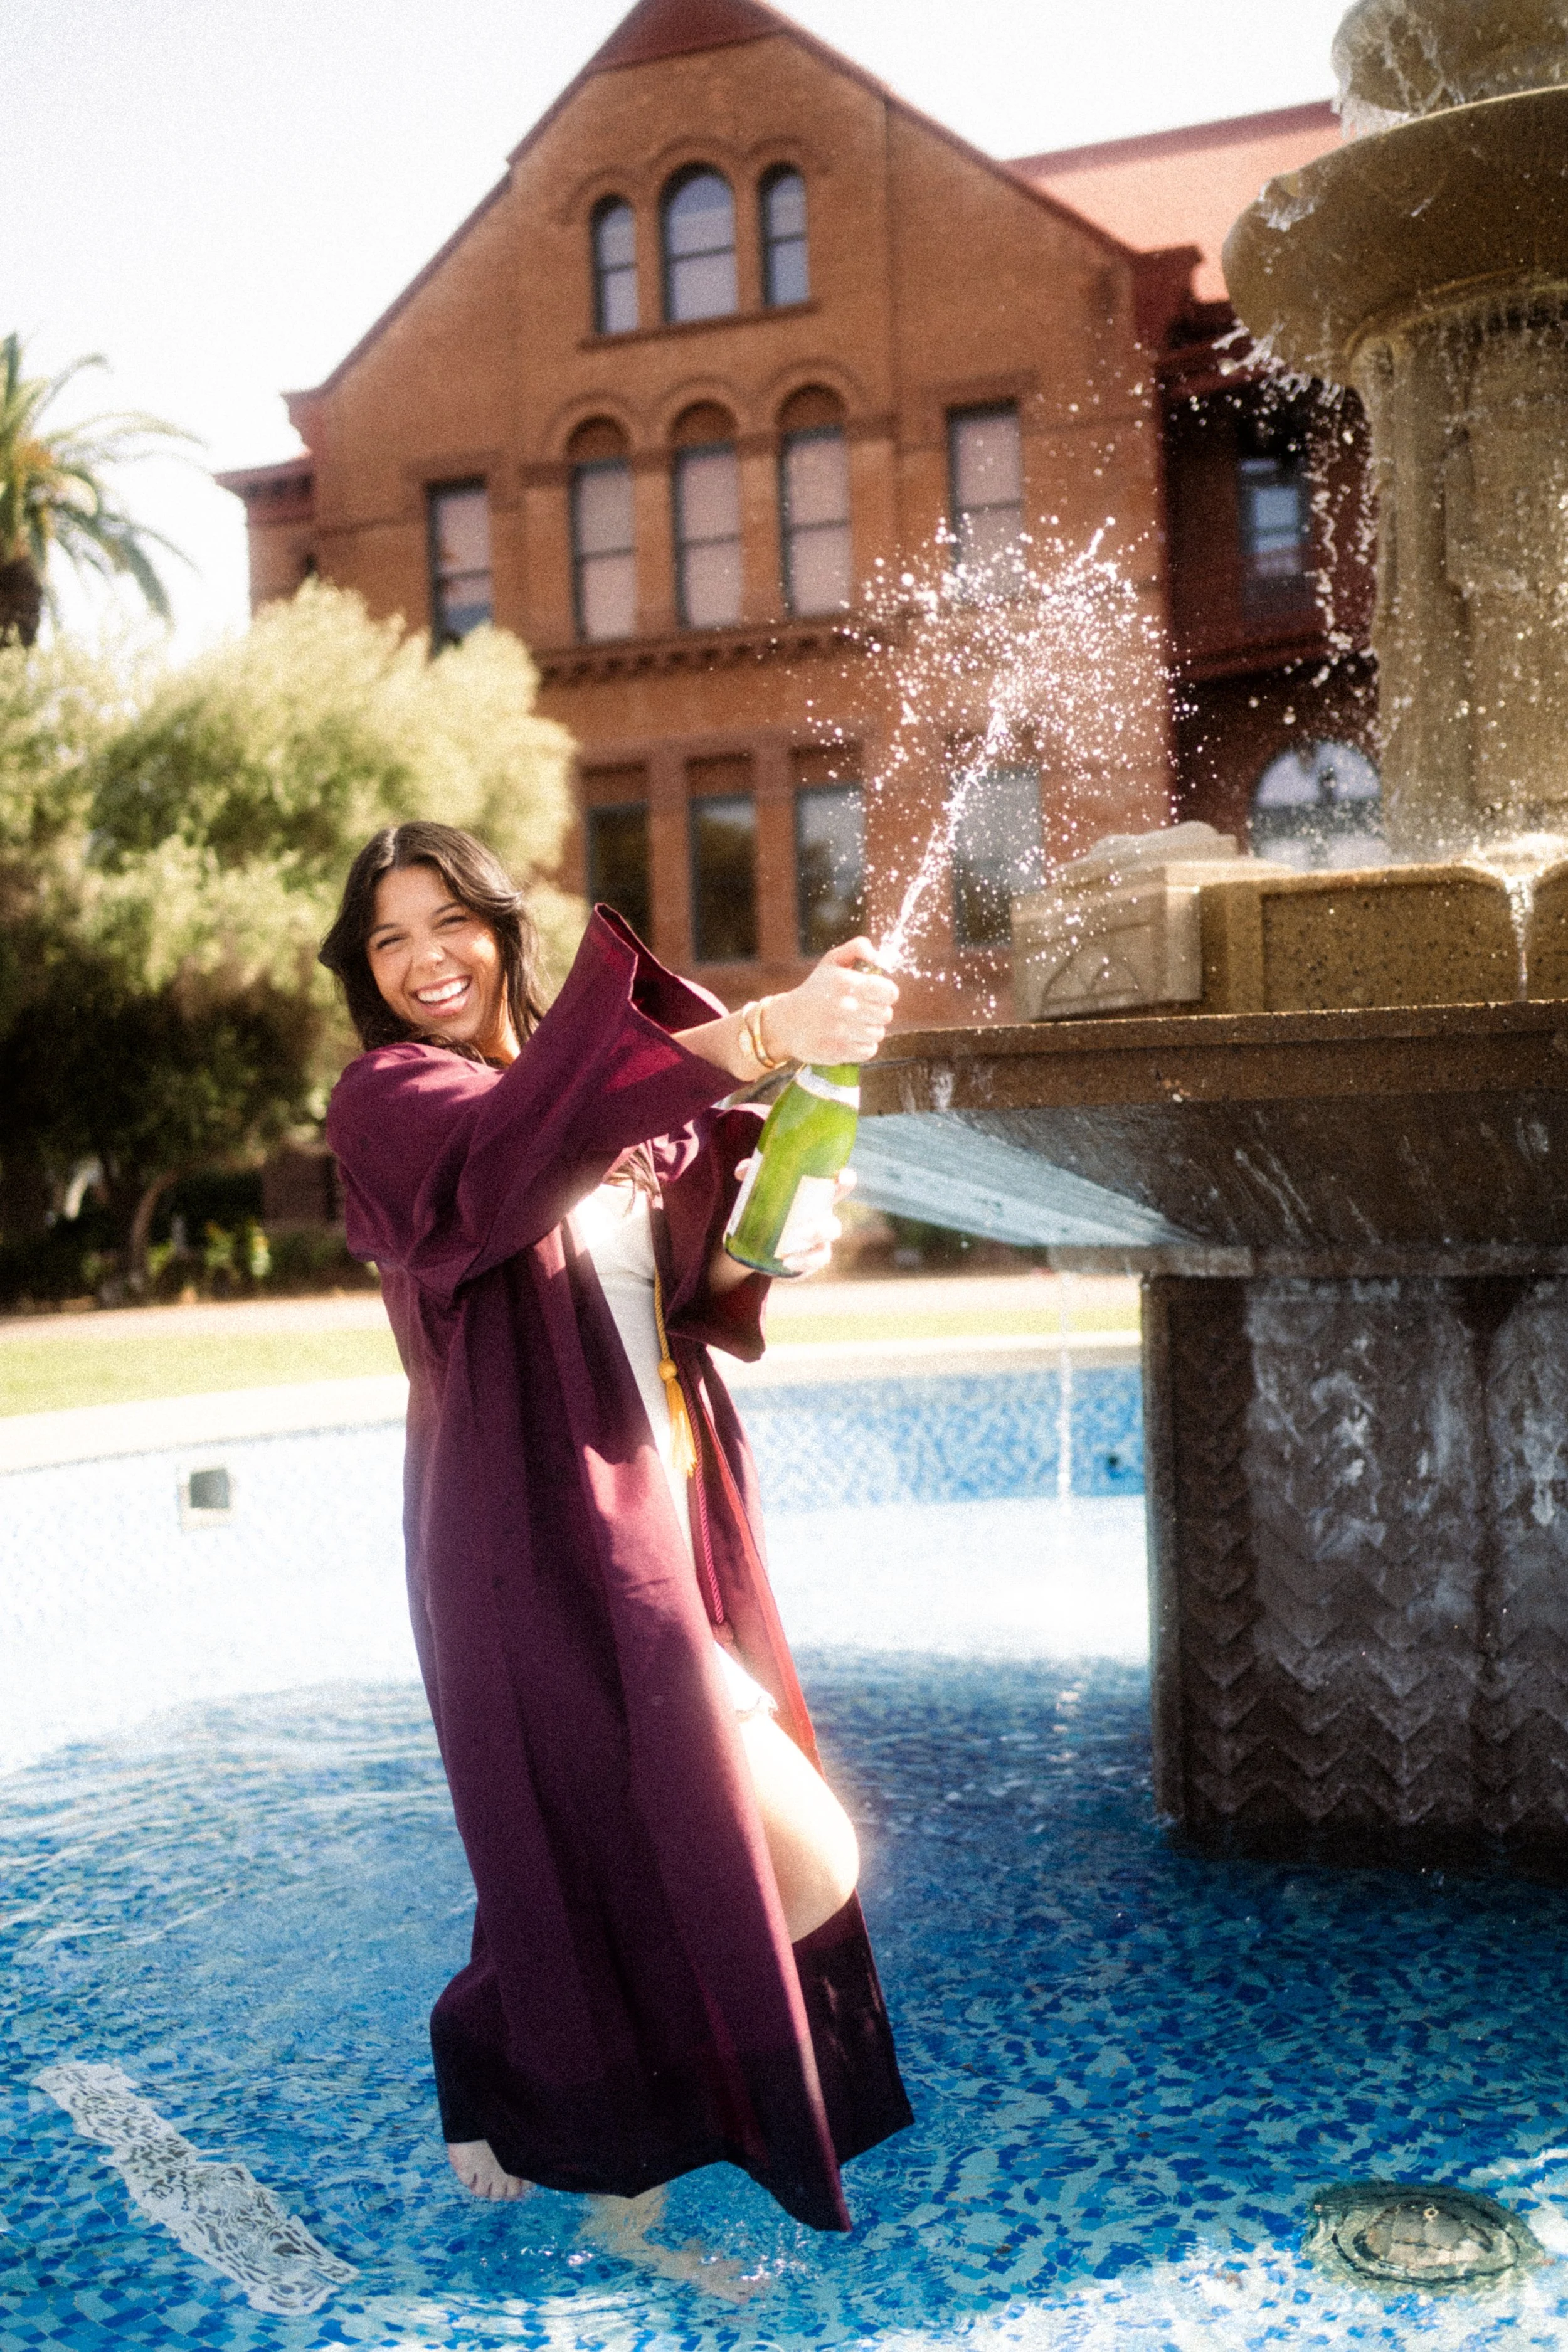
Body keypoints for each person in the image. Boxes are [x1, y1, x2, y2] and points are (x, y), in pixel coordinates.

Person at [319, 821, 912, 2237]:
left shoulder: (609, 1102)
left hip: (668, 1508)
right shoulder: (392, 1099)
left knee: (639, 1832)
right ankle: (519, 2067)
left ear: (499, 926)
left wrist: (771, 1228)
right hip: (527, 1531)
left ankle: (531, 2056)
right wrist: (763, 1025)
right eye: (387, 940)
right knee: (761, 1842)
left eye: (446, 921)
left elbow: (680, 1283)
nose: (423, 962)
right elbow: (503, 1167)